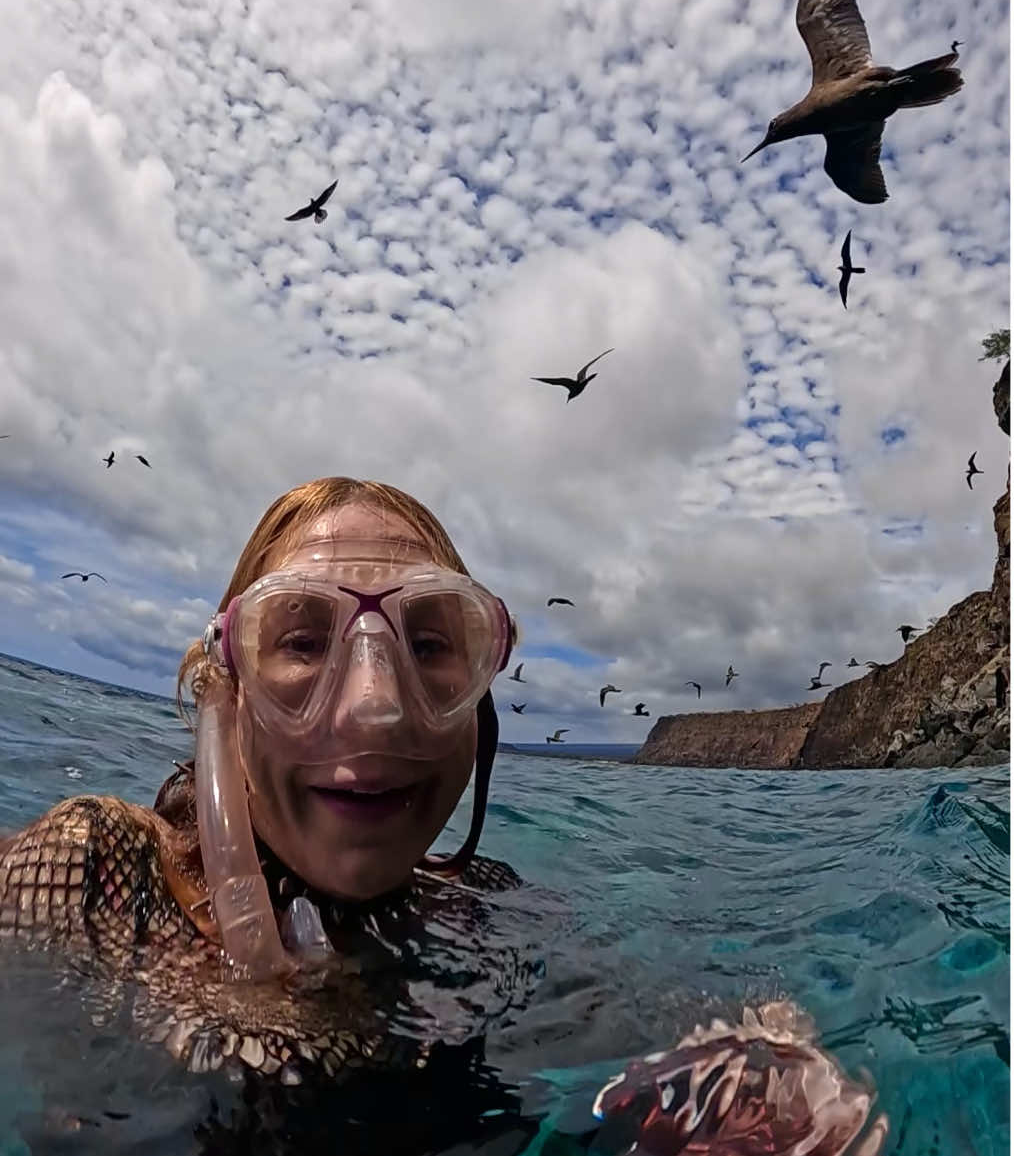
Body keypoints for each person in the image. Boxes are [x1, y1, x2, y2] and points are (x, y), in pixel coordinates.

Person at [0, 477, 887, 1155]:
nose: (377, 706)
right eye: (303, 641)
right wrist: (215, 1013)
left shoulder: (477, 909)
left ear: (478, 707)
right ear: (222, 693)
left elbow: (664, 1022)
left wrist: (767, 1066)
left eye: (432, 646)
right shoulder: (95, 867)